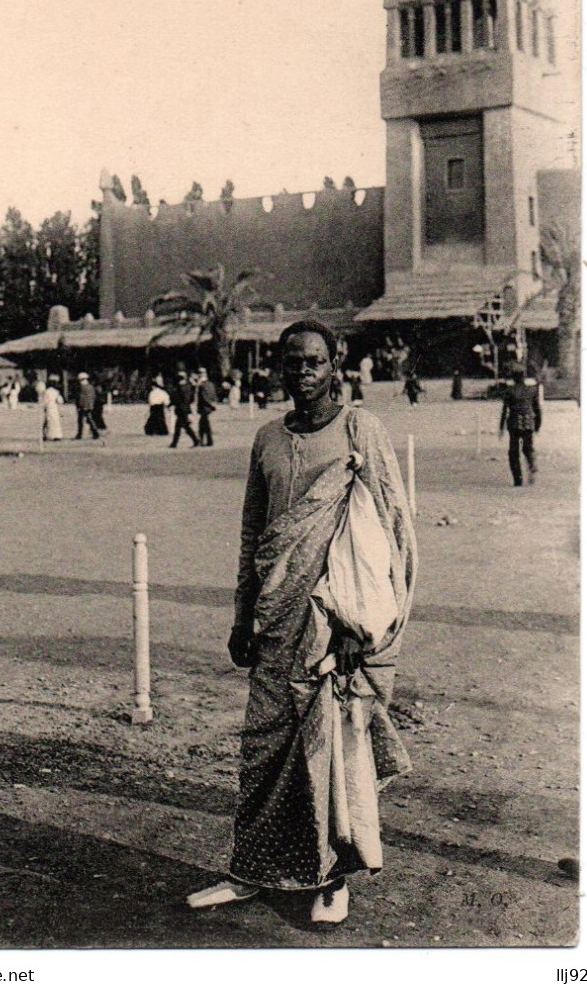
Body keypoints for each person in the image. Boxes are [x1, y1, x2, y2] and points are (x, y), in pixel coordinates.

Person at [187, 320, 417, 924]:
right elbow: (252, 535)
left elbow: (385, 537)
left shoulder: (361, 430)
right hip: (275, 619)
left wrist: (357, 627)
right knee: (264, 748)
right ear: (279, 367)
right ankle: (253, 870)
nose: (302, 372)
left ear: (335, 364)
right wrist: (243, 616)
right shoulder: (266, 439)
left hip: (335, 625)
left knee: (331, 750)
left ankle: (333, 878)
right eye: (292, 362)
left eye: (314, 361)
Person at [499, 366, 541, 486]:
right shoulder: (532, 390)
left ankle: (518, 479)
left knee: (514, 452)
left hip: (514, 423)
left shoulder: (509, 391)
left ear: (513, 378)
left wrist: (501, 427)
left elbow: (504, 410)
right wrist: (538, 425)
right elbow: (537, 409)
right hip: (528, 422)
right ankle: (531, 462)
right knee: (527, 448)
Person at [169, 370, 199, 448]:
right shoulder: (188, 387)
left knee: (184, 427)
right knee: (181, 426)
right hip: (184, 408)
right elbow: (191, 399)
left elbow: (177, 398)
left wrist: (171, 403)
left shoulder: (181, 388)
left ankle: (195, 440)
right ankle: (174, 443)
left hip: (181, 409)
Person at [74, 372, 100, 440]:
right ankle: (95, 432)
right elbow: (93, 396)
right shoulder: (91, 387)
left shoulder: (81, 387)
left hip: (83, 406)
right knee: (90, 419)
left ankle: (80, 434)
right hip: (89, 406)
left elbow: (80, 398)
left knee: (81, 421)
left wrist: (79, 406)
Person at [196, 367, 217, 447]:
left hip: (204, 407)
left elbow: (204, 397)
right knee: (204, 424)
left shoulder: (202, 385)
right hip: (208, 407)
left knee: (203, 424)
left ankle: (203, 440)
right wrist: (213, 404)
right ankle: (207, 441)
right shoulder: (210, 384)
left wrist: (210, 405)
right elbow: (213, 395)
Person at [42, 374, 64, 441]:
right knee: (56, 422)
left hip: (49, 407)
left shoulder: (46, 391)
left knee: (48, 421)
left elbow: (45, 401)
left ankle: (47, 435)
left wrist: (44, 407)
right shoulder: (56, 391)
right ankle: (57, 435)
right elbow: (60, 401)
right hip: (55, 407)